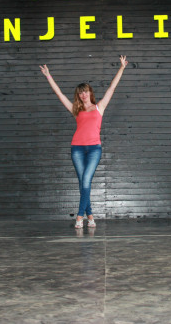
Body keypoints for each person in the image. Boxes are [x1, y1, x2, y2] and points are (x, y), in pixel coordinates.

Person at [40, 56, 129, 229]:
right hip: (77, 149)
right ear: (79, 96)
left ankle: (79, 217)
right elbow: (59, 94)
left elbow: (112, 88)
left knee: (86, 181)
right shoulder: (76, 110)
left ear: (90, 92)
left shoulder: (99, 107)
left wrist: (122, 68)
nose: (83, 94)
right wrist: (48, 75)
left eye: (86, 91)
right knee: (82, 183)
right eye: (81, 92)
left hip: (94, 149)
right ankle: (91, 216)